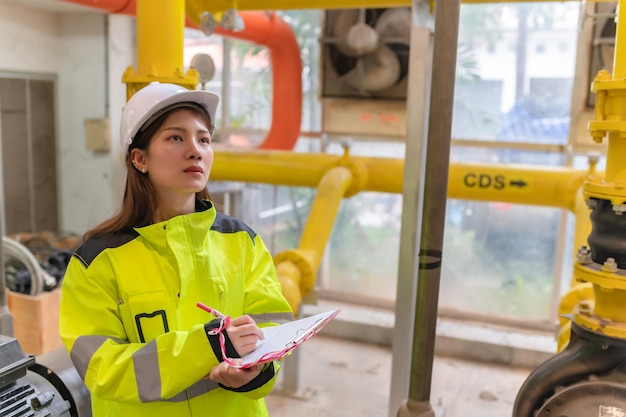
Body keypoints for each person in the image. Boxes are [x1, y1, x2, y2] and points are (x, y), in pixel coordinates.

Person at [59, 81, 294, 417]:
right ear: (140, 159)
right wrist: (208, 346)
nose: (195, 150)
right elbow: (102, 369)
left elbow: (272, 325)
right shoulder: (97, 262)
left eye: (203, 139)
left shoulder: (242, 241)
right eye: (176, 137)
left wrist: (254, 369)